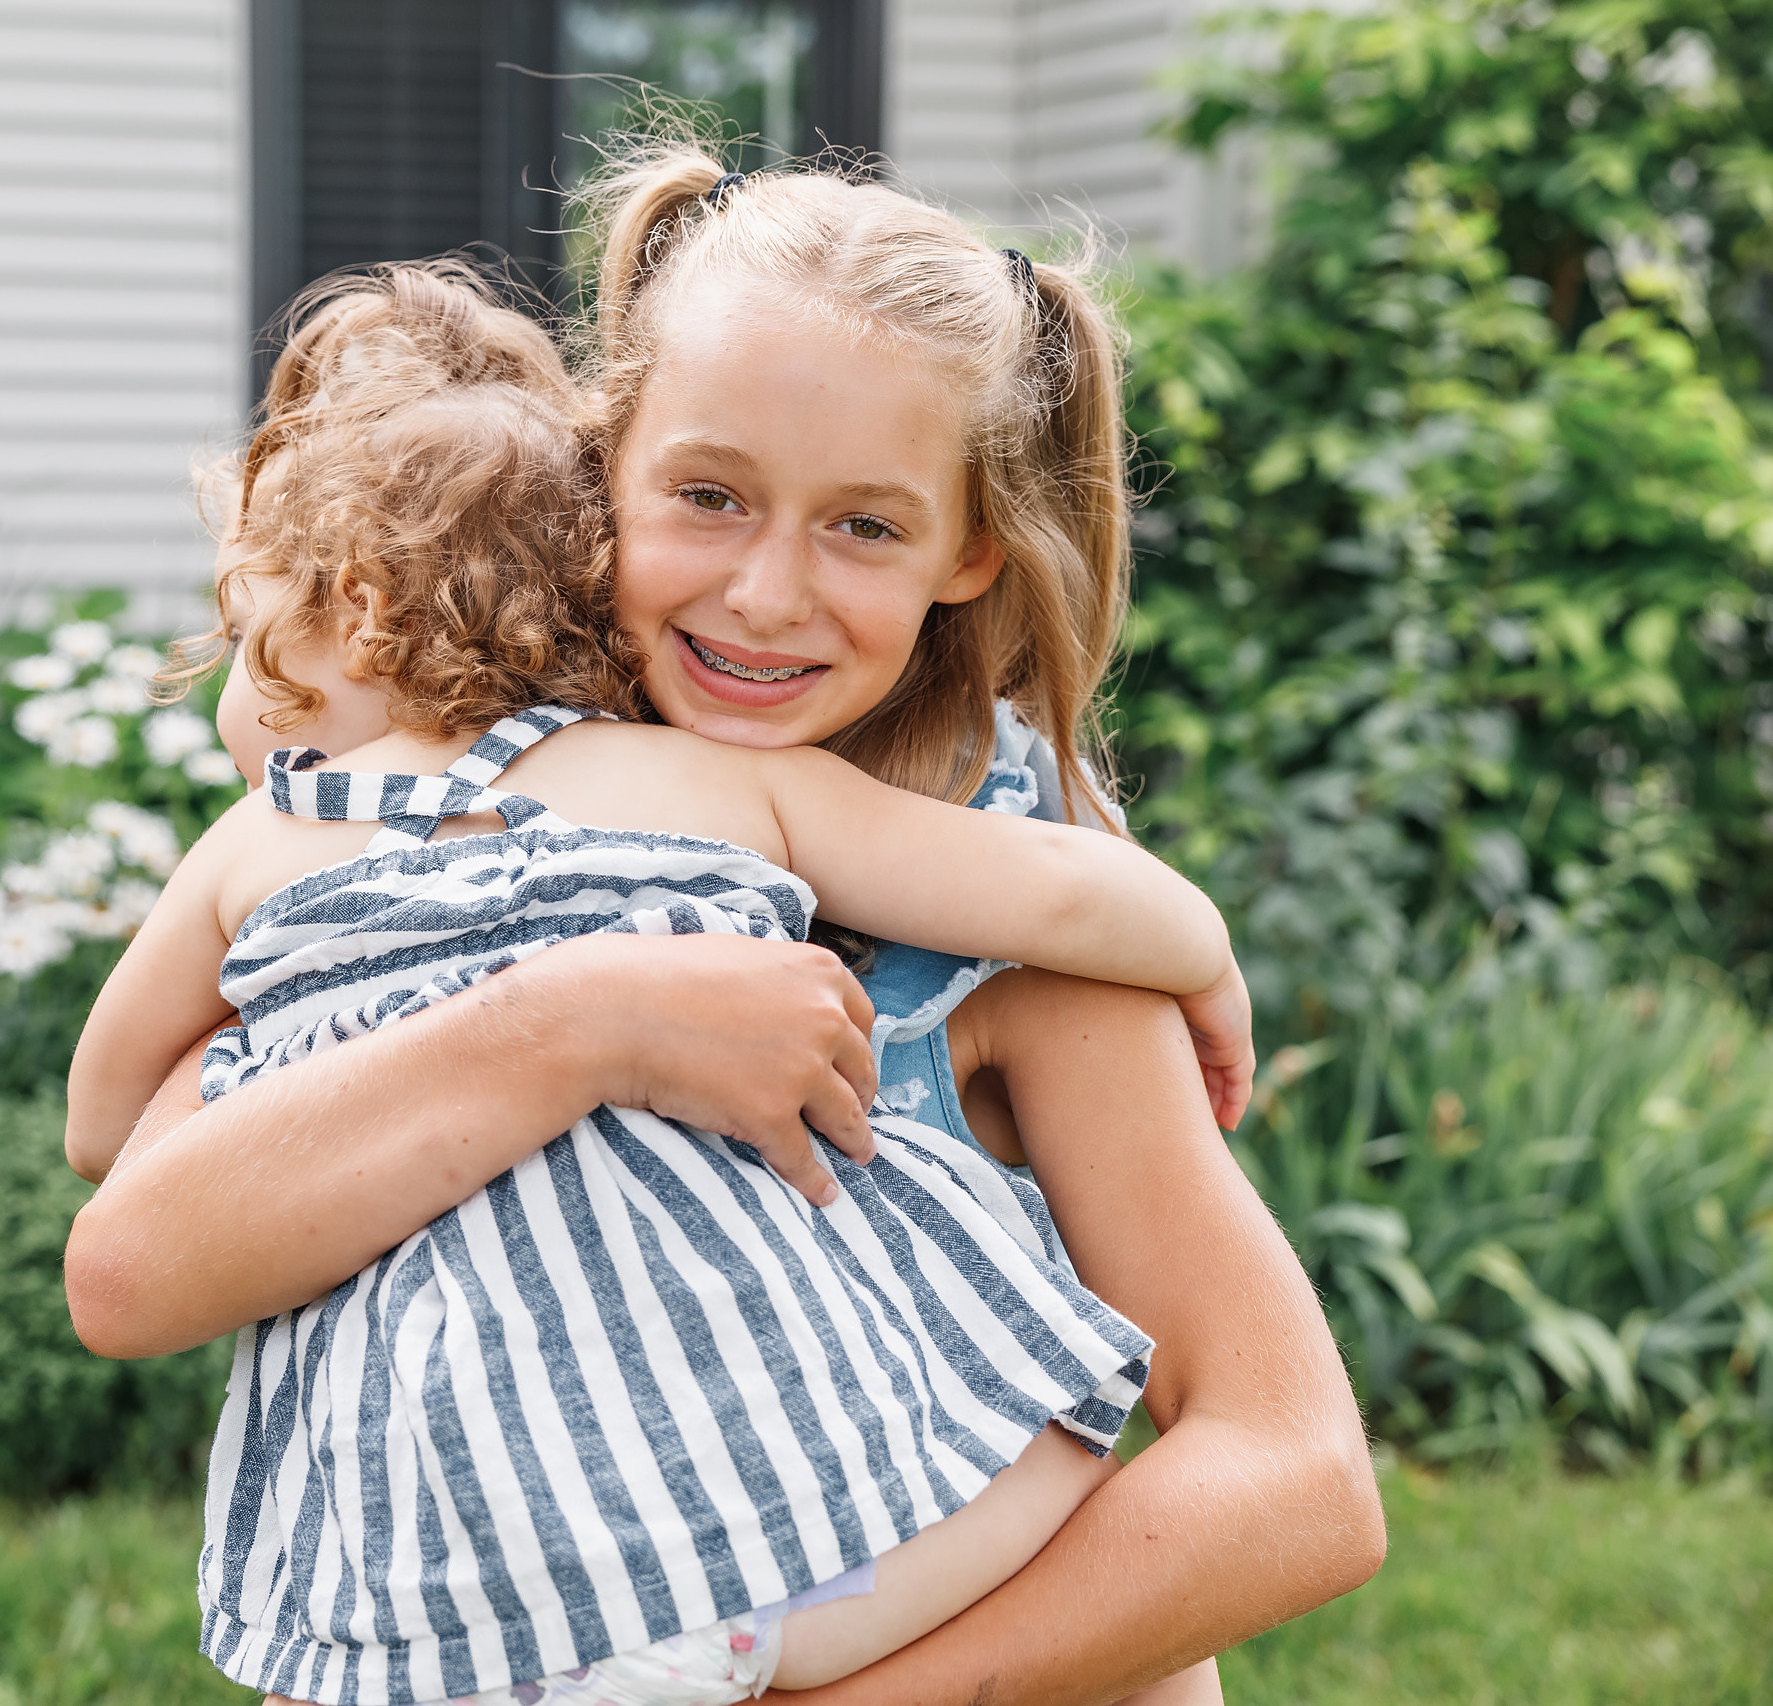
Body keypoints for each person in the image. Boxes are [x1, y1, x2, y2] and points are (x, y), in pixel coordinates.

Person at [66, 144, 1384, 1704]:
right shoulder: (412, 876)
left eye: (866, 528)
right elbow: (133, 1265)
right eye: (706, 496)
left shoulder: (1021, 938)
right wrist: (593, 1019)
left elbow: (1295, 1478)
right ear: (594, 473)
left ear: (968, 551)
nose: (767, 592)